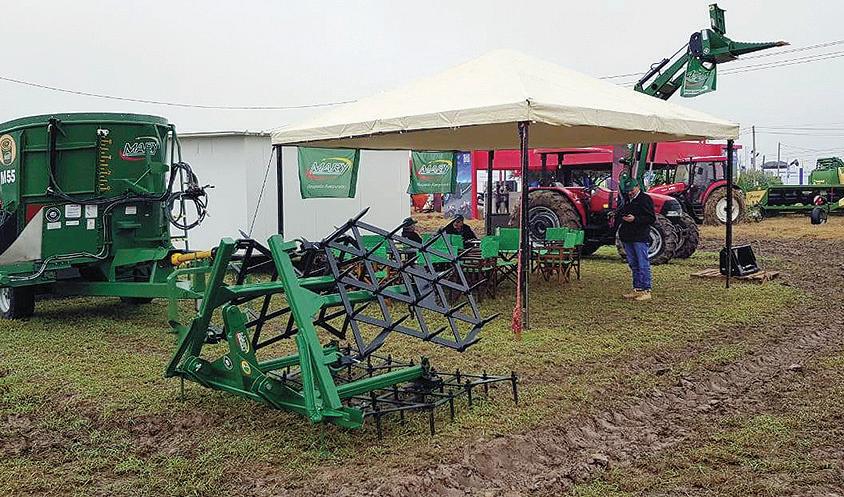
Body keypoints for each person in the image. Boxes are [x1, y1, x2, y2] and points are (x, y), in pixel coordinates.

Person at [617, 183, 656, 301]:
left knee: (642, 263)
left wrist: (635, 219)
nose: (630, 193)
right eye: (628, 191)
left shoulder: (645, 199)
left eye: (632, 190)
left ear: (638, 187)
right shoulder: (626, 199)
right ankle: (637, 288)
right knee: (633, 263)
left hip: (640, 236)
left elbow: (651, 218)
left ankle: (646, 289)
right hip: (628, 236)